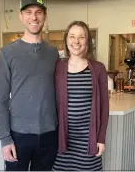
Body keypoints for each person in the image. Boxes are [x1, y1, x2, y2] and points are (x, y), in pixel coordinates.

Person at [0, 0, 59, 171]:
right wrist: (5, 139)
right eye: (28, 12)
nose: (34, 17)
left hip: (49, 134)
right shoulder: (7, 53)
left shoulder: (53, 53)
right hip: (18, 135)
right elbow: (0, 100)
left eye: (39, 12)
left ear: (45, 17)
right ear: (21, 16)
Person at [52, 21, 110, 171]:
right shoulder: (57, 67)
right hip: (62, 139)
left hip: (88, 139)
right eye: (72, 36)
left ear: (87, 41)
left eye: (81, 37)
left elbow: (104, 106)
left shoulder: (98, 68)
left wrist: (101, 138)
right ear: (66, 40)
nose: (76, 42)